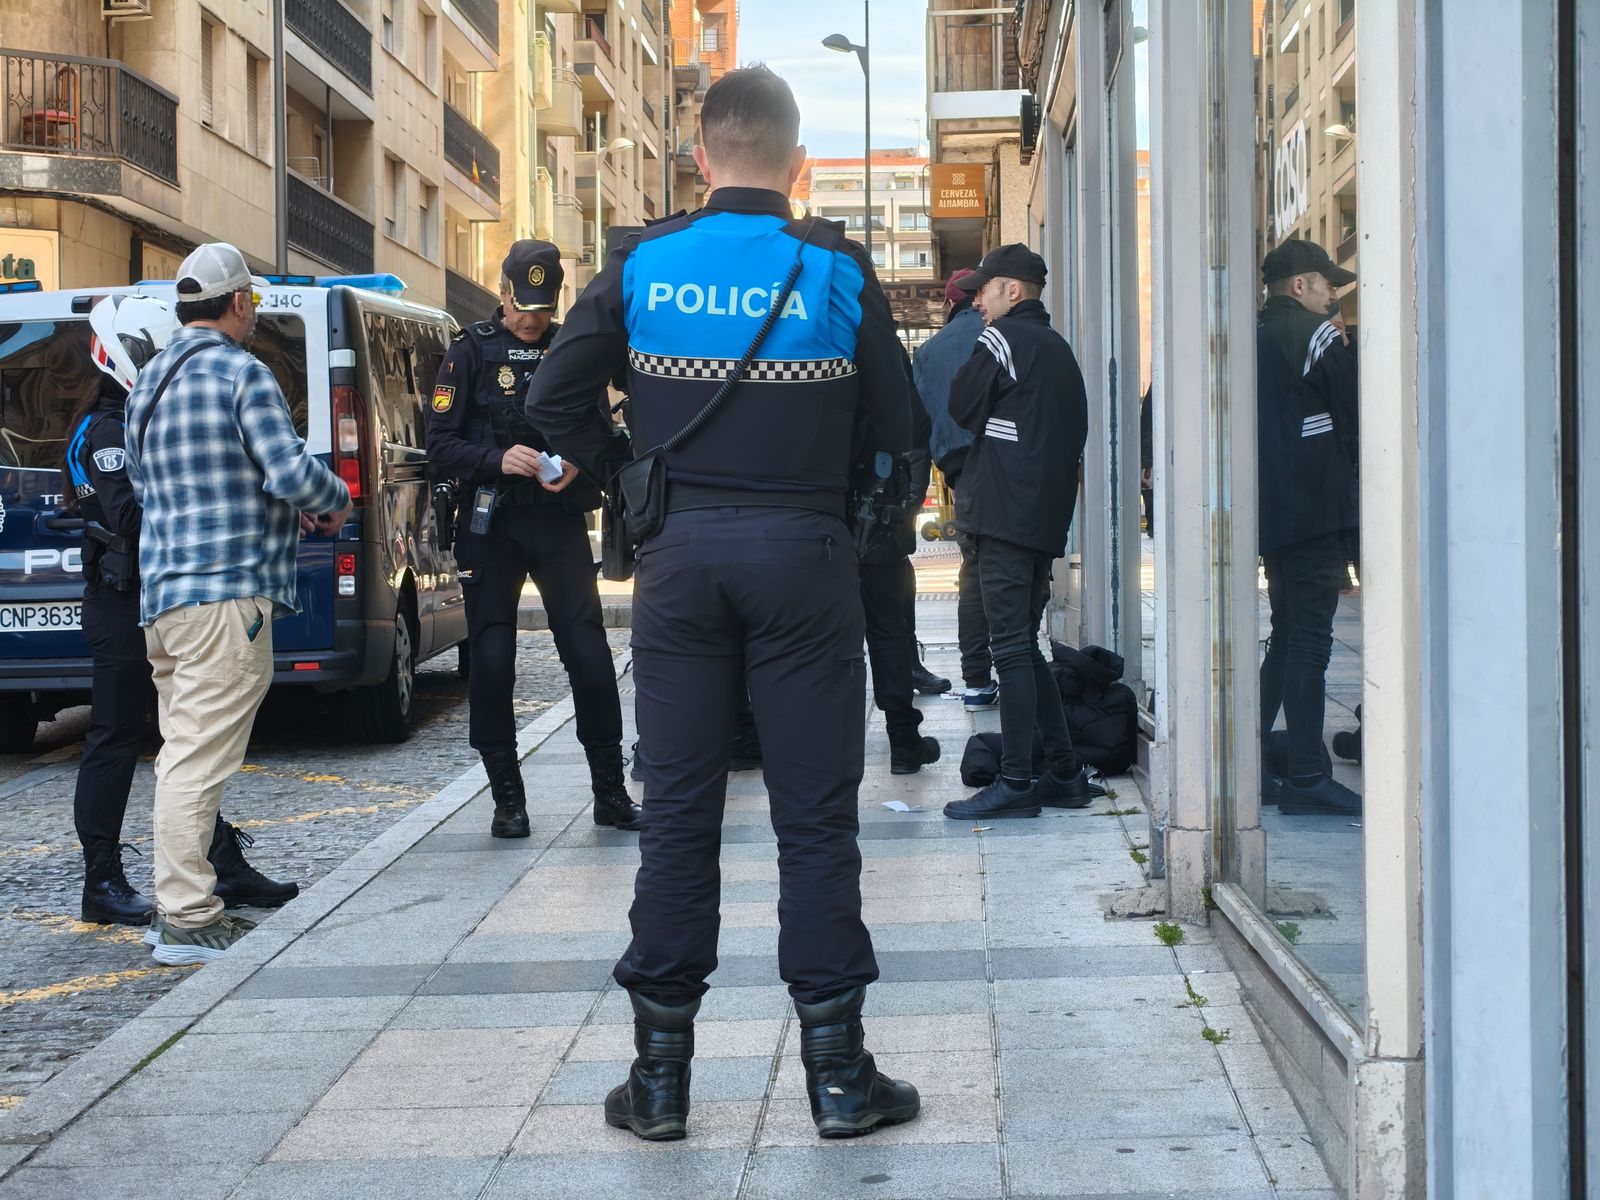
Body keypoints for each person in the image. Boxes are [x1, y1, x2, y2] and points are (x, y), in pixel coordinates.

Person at [528, 65, 918, 1143]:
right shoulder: (833, 270)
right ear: (798, 165)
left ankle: (658, 1085)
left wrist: (627, 474)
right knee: (814, 822)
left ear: (700, 158)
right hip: (805, 558)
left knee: (679, 819)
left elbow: (551, 396)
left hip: (681, 563)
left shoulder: (643, 265)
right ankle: (839, 1083)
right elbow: (899, 423)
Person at [125, 243, 351, 965]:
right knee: (197, 761)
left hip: (165, 599)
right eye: (250, 300)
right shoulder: (241, 372)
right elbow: (288, 470)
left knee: (179, 754)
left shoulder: (148, 381)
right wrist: (334, 501)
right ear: (239, 304)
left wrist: (281, 508)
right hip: (227, 598)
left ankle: (176, 909)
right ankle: (189, 919)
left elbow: (157, 489)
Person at [63, 296, 296, 927]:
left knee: (187, 735)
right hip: (121, 600)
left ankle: (217, 862)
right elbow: (131, 519)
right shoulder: (105, 427)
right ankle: (102, 878)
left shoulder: (144, 409)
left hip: (159, 594)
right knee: (117, 734)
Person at [425, 240, 639, 838]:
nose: (533, 321)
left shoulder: (573, 346)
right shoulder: (468, 352)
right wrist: (497, 458)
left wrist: (577, 462)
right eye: (524, 309)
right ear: (502, 293)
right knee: (492, 660)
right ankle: (507, 800)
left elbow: (604, 431)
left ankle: (610, 793)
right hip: (490, 523)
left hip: (557, 519)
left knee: (591, 658)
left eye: (543, 311)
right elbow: (438, 443)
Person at [939, 244, 1091, 821]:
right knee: (1026, 646)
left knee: (1009, 649)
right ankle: (1065, 772)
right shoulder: (1058, 349)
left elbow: (960, 403)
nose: (976, 300)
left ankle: (1018, 781)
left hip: (1001, 514)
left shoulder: (1003, 340)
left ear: (1013, 291)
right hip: (1040, 519)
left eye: (983, 290)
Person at [1255, 239, 1361, 816]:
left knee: (1288, 636)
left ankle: (1251, 758)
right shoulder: (1315, 334)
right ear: (1301, 285)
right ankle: (1306, 774)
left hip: (1272, 513)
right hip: (1316, 509)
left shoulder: (1252, 335)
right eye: (1326, 286)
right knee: (1311, 643)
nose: (1331, 298)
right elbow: (1354, 406)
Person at [912, 269, 995, 707]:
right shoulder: (1002, 334)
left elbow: (919, 420)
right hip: (1009, 464)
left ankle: (977, 680)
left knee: (974, 573)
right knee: (1019, 569)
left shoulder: (928, 351)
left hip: (960, 468)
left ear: (949, 304)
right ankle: (1017, 666)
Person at [858, 346, 941, 774]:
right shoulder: (881, 347)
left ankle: (833, 745)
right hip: (876, 519)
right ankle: (904, 742)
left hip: (819, 521)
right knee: (889, 634)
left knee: (823, 642)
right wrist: (905, 505)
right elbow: (913, 431)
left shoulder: (802, 328)